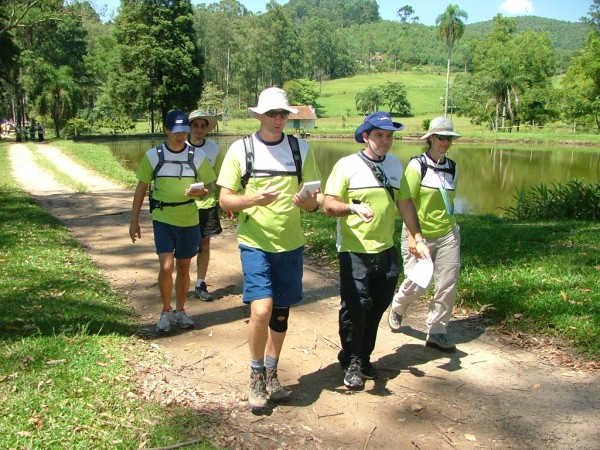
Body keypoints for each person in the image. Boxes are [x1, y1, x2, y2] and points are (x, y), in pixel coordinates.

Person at [217, 87, 322, 410]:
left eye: (283, 115)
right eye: (272, 114)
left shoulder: (300, 150)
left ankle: (273, 372)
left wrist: (308, 203)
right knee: (260, 309)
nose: (278, 120)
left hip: (290, 245)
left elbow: (315, 201)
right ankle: (256, 375)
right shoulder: (241, 149)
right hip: (255, 243)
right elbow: (224, 199)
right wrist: (253, 199)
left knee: (280, 312)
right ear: (259, 116)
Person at [323, 111, 430, 390]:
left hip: (385, 249)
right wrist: (352, 208)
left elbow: (405, 203)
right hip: (353, 249)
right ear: (366, 136)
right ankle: (354, 361)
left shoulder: (395, 166)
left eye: (390, 136)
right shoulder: (346, 165)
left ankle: (359, 355)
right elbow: (329, 204)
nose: (385, 141)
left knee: (378, 305)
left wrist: (417, 237)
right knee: (356, 307)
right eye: (379, 135)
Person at [129, 109, 217, 333]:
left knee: (184, 266)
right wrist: (134, 220)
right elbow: (141, 188)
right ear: (166, 130)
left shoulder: (197, 156)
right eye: (176, 131)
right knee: (167, 266)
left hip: (189, 218)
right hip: (162, 217)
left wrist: (202, 192)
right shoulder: (153, 156)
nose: (181, 136)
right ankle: (166, 311)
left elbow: (210, 184)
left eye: (184, 131)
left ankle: (181, 310)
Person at [388, 116, 461, 353]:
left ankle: (437, 330)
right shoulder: (417, 165)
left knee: (447, 283)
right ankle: (398, 307)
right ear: (430, 138)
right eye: (441, 137)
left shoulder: (452, 167)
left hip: (448, 233)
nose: (445, 142)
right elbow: (405, 201)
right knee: (418, 282)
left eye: (449, 138)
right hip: (419, 233)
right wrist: (412, 236)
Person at [187, 110, 223, 301]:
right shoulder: (180, 146)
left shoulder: (213, 149)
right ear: (189, 127)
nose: (199, 129)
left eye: (203, 126)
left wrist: (225, 201)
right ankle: (182, 281)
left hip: (206, 203)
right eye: (195, 125)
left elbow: (217, 177)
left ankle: (200, 282)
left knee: (204, 244)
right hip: (184, 204)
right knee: (183, 246)